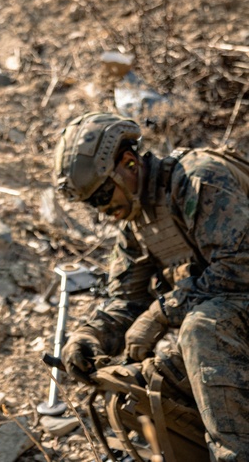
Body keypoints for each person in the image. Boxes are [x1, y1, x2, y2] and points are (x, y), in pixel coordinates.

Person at [53, 111, 249, 461]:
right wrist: (90, 335)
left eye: (102, 195)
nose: (102, 210)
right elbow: (126, 300)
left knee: (203, 328)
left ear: (129, 164)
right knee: (149, 380)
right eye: (92, 204)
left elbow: (240, 266)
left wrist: (160, 314)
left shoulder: (200, 177)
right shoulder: (137, 225)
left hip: (230, 318)